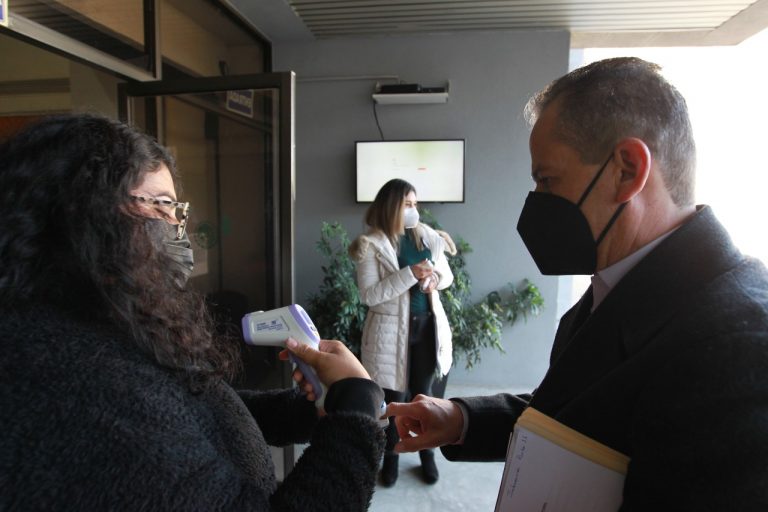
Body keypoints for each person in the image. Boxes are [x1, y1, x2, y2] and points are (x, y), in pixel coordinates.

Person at [385, 57, 768, 509]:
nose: (537, 204)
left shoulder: (740, 344)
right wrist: (462, 419)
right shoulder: (627, 280)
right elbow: (579, 419)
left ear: (627, 169)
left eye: (548, 180)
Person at [0, 113, 386, 511]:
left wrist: (302, 413)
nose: (177, 229)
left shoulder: (94, 320)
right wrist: (355, 415)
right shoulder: (78, 388)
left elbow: (191, 413)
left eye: (176, 210)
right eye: (161, 207)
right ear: (81, 214)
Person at [348, 178, 456, 487]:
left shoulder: (426, 237)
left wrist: (433, 279)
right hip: (389, 334)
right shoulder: (370, 244)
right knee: (393, 401)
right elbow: (369, 295)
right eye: (408, 204)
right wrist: (410, 274)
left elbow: (446, 277)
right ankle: (392, 458)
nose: (414, 210)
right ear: (393, 206)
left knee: (425, 396)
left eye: (415, 204)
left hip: (427, 329)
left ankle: (427, 455)